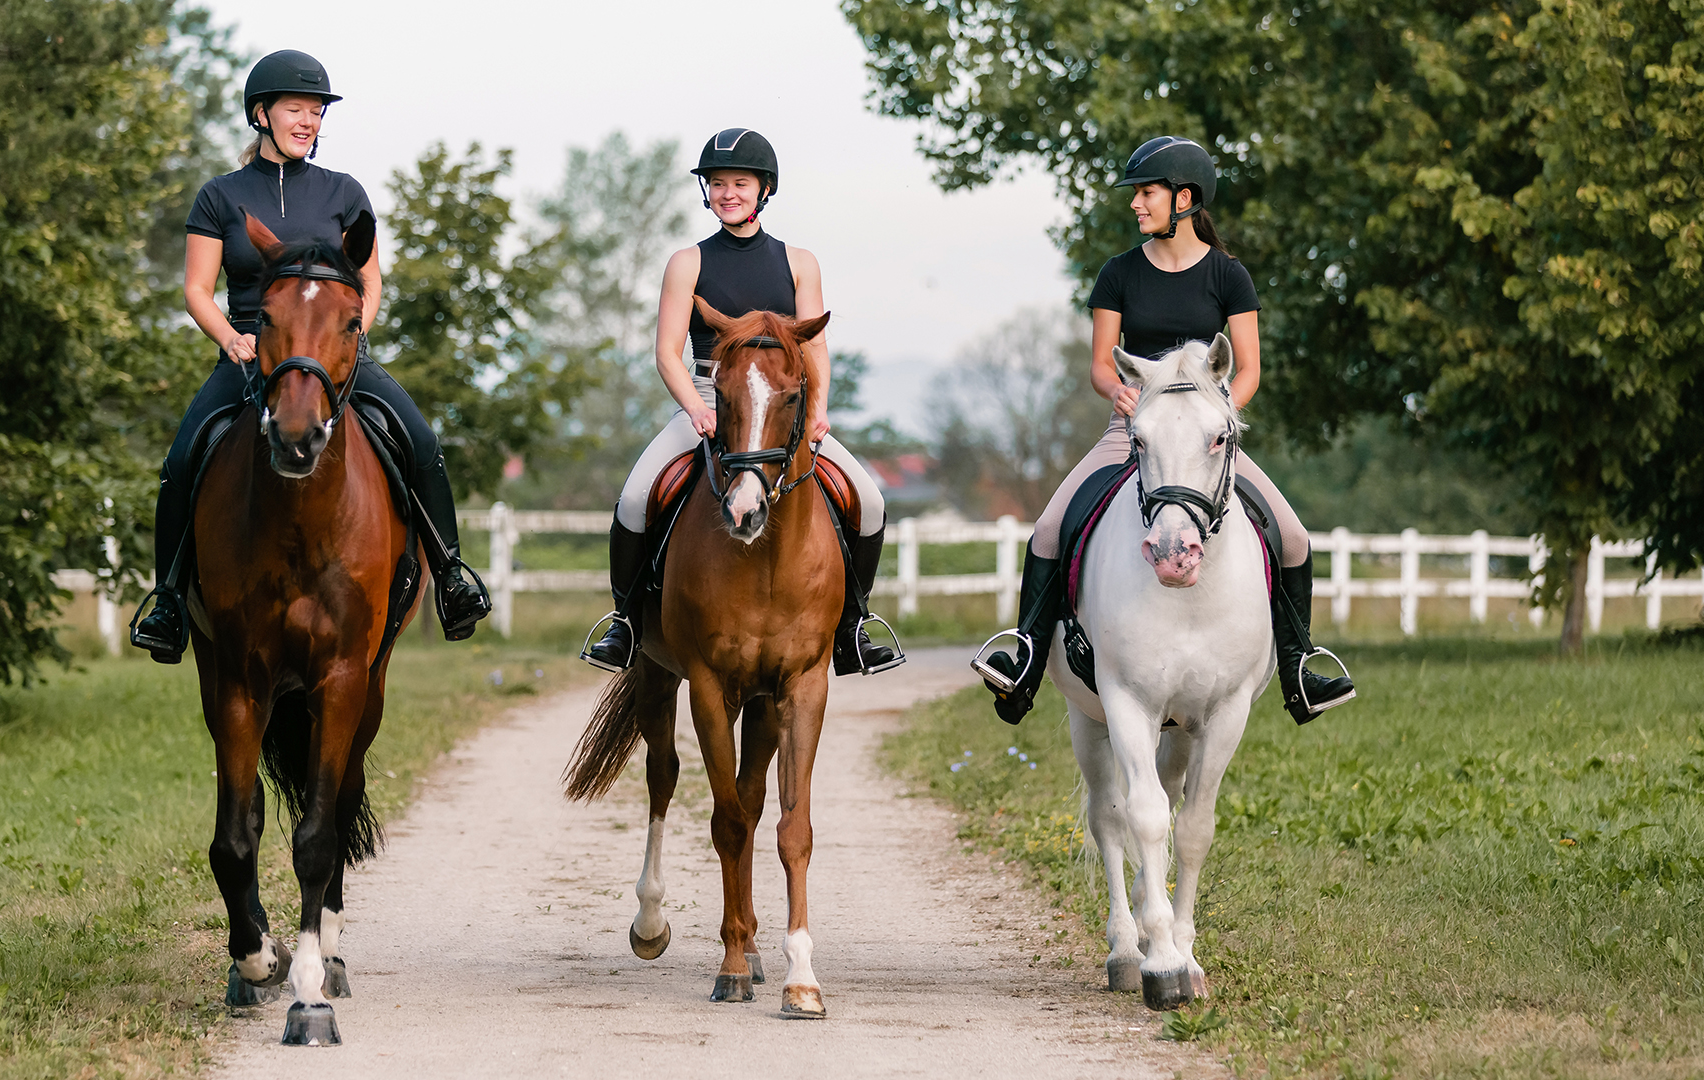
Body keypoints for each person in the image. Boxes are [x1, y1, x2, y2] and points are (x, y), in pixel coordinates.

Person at [129, 50, 489, 662]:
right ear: (260, 114)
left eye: (316, 111)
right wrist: (230, 339)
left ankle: (452, 577)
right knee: (181, 459)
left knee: (422, 442)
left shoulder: (344, 192)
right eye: (296, 109)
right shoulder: (220, 196)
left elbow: (370, 282)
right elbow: (196, 288)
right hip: (252, 352)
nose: (308, 121)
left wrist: (349, 338)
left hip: (336, 355)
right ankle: (168, 600)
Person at [982, 136, 1354, 725]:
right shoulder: (1119, 274)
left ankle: (1298, 665)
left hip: (1207, 437)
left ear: (1184, 197)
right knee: (1050, 529)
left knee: (1294, 537)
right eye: (1137, 195)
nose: (1136, 204)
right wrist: (1117, 392)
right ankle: (1024, 659)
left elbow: (1249, 368)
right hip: (1130, 427)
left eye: (1146, 193)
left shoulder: (1230, 277)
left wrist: (1218, 415)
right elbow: (1104, 362)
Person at [579, 128, 903, 677]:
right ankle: (626, 623)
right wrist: (696, 409)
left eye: (740, 183)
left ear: (764, 190)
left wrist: (819, 407)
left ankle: (852, 627)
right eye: (718, 183)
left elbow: (815, 344)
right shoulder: (688, 262)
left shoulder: (799, 262)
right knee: (635, 498)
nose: (728, 192)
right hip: (709, 394)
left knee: (868, 501)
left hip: (782, 406)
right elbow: (666, 353)